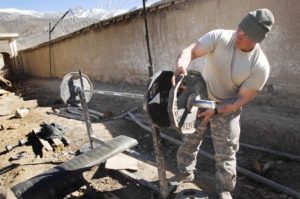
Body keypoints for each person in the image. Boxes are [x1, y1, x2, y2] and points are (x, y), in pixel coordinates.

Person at [174, 8, 275, 199]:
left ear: (257, 40)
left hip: (228, 108)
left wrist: (218, 109)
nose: (238, 36)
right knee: (189, 140)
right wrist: (181, 65)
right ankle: (185, 172)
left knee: (226, 153)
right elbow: (190, 51)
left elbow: (242, 98)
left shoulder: (260, 66)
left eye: (245, 36)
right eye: (239, 29)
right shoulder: (220, 37)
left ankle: (224, 188)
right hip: (198, 100)